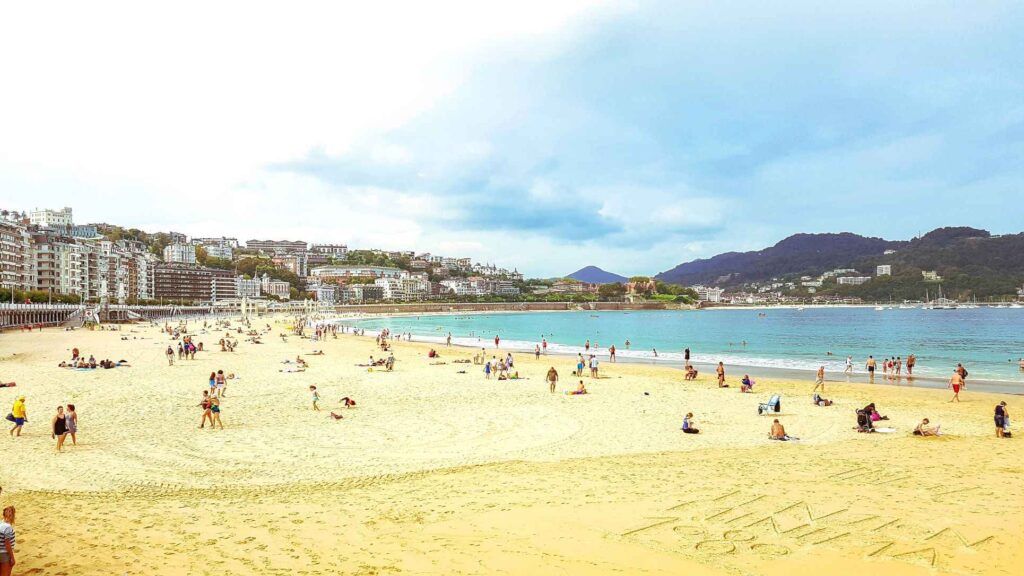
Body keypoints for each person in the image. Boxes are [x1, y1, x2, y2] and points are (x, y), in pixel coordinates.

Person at [0, 505, 15, 576]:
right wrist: (12, 557)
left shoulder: (0, 523)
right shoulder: (8, 527)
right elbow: (7, 544)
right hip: (5, 554)